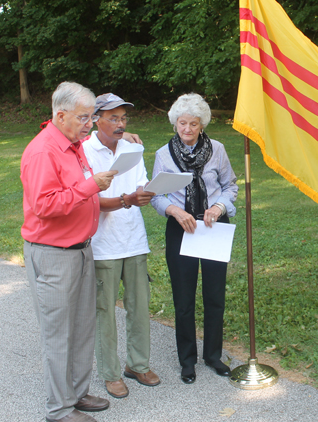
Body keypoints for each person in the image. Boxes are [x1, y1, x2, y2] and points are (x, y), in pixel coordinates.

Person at [21, 82, 117, 422]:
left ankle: (76, 393)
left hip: (79, 249)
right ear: (60, 115)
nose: (89, 124)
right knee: (58, 333)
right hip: (52, 254)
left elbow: (77, 190)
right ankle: (59, 409)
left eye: (91, 117)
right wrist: (92, 186)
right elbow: (45, 206)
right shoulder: (43, 151)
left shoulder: (71, 144)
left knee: (81, 327)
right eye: (84, 118)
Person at [151, 93, 238, 384]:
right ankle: (187, 360)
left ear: (202, 125)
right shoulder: (164, 154)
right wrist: (175, 210)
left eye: (193, 124)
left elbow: (230, 186)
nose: (187, 129)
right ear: (175, 123)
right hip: (181, 228)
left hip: (214, 226)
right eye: (182, 123)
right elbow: (157, 195)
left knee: (215, 296)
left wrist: (218, 206)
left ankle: (213, 355)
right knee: (184, 299)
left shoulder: (218, 150)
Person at [82, 93, 160, 399]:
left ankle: (137, 364)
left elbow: (139, 185)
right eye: (113, 118)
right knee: (105, 311)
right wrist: (127, 200)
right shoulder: (85, 150)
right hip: (104, 244)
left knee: (139, 307)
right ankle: (111, 373)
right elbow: (91, 200)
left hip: (134, 240)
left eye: (123, 118)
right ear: (96, 119)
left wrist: (144, 194)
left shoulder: (133, 148)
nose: (120, 123)